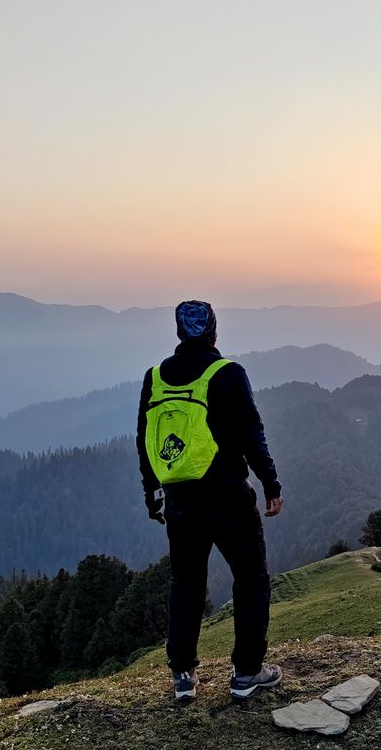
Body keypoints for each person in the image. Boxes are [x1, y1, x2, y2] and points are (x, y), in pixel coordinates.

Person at [136, 300, 284, 702]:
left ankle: (182, 676)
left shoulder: (156, 377)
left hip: (180, 500)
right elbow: (251, 433)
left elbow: (145, 439)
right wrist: (271, 483)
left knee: (185, 583)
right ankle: (247, 673)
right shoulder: (228, 373)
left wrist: (152, 491)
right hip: (228, 497)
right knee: (251, 579)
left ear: (179, 332)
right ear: (214, 331)